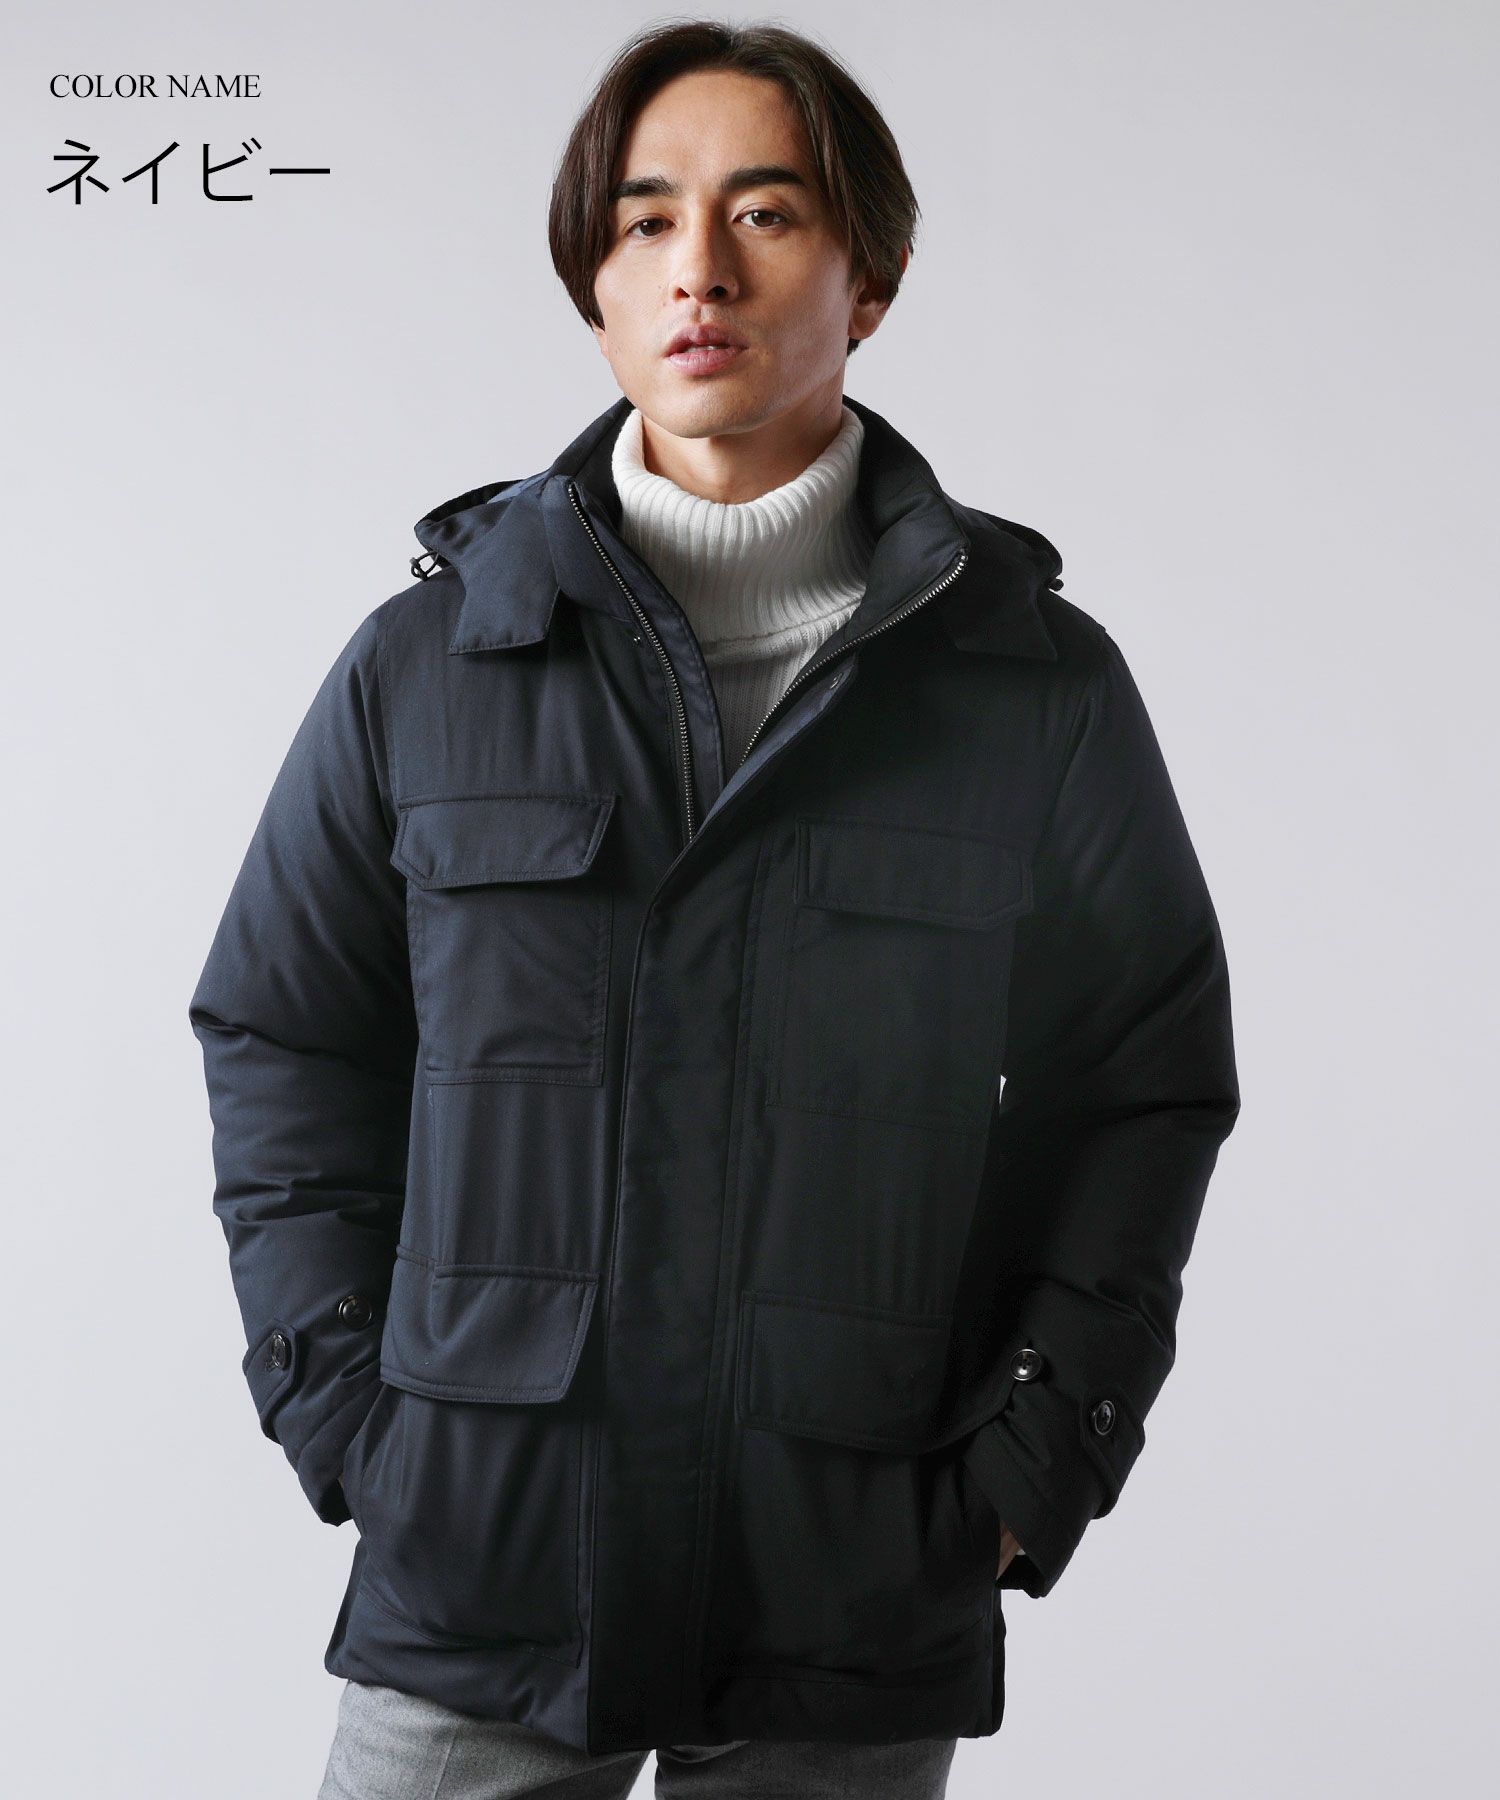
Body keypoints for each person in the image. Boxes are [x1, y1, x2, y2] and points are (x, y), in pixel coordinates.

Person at [189, 18, 1239, 1798]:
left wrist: (1030, 1464)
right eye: (645, 221)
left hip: (856, 1575)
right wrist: (352, 1416)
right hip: (485, 1562)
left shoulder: (1029, 685)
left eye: (765, 213)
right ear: (594, 287)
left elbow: (1139, 1089)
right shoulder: (429, 667)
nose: (700, 269)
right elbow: (284, 1033)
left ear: (868, 277)